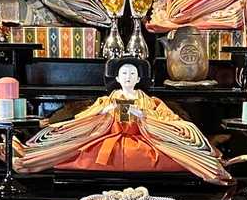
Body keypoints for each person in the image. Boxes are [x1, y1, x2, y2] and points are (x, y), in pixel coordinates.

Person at [14, 59, 230, 184]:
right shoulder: (106, 100)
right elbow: (83, 119)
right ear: (117, 78)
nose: (128, 76)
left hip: (145, 142)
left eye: (132, 73)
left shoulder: (151, 101)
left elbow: (171, 120)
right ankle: (29, 157)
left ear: (139, 78)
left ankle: (212, 164)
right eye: (124, 73)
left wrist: (144, 117)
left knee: (174, 159)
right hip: (107, 141)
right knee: (76, 153)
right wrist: (104, 113)